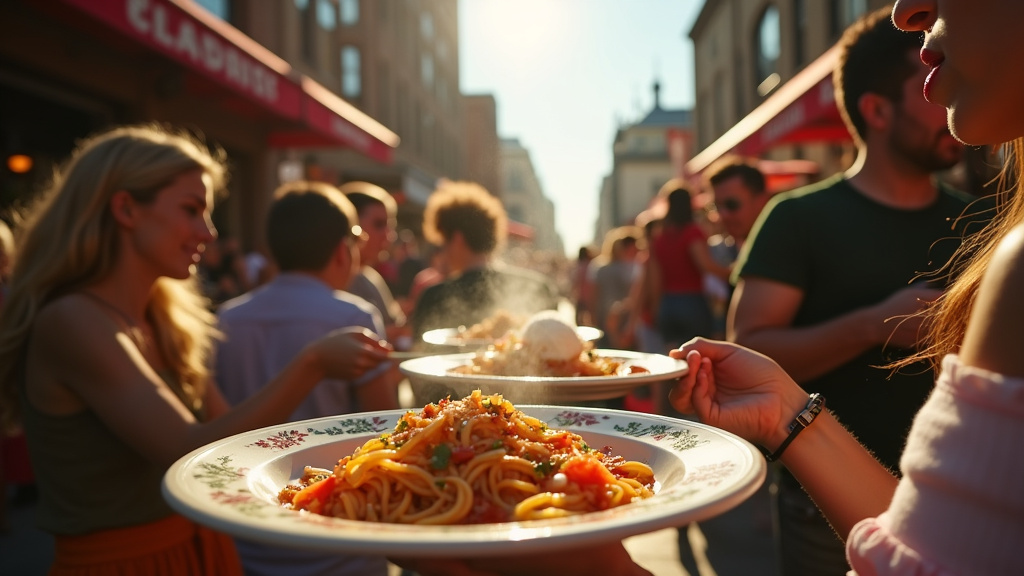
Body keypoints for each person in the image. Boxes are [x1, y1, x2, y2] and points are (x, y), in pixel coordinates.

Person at [0, 124, 392, 574]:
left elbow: (229, 441)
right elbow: (185, 449)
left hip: (203, 551)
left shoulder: (162, 318)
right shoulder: (71, 320)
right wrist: (313, 361)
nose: (207, 233)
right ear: (125, 208)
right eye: (191, 210)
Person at [726, 7, 992, 574]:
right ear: (876, 109)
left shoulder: (982, 221)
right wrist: (875, 324)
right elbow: (749, 347)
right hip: (824, 507)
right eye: (927, 80)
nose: (947, 92)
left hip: (954, 511)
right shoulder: (797, 217)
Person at [215, 181, 400, 576]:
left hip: (247, 535)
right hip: (340, 537)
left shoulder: (225, 320)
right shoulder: (355, 317)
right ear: (341, 250)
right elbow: (385, 429)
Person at [409, 181, 560, 344]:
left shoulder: (434, 297)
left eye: (443, 242)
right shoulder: (538, 286)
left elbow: (421, 352)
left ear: (458, 239)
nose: (441, 252)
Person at [647, 180, 731, 351]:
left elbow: (655, 279)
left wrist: (657, 308)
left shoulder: (659, 238)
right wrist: (733, 271)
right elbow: (705, 265)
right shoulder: (692, 232)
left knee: (672, 358)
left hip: (667, 304)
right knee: (696, 356)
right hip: (692, 302)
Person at [702, 156, 770, 339]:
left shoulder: (776, 248)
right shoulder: (740, 244)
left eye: (732, 205)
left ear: (761, 200)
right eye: (716, 206)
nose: (722, 215)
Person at [339, 181, 411, 350]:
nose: (389, 235)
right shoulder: (334, 281)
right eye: (379, 224)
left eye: (390, 226)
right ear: (352, 226)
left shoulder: (371, 276)